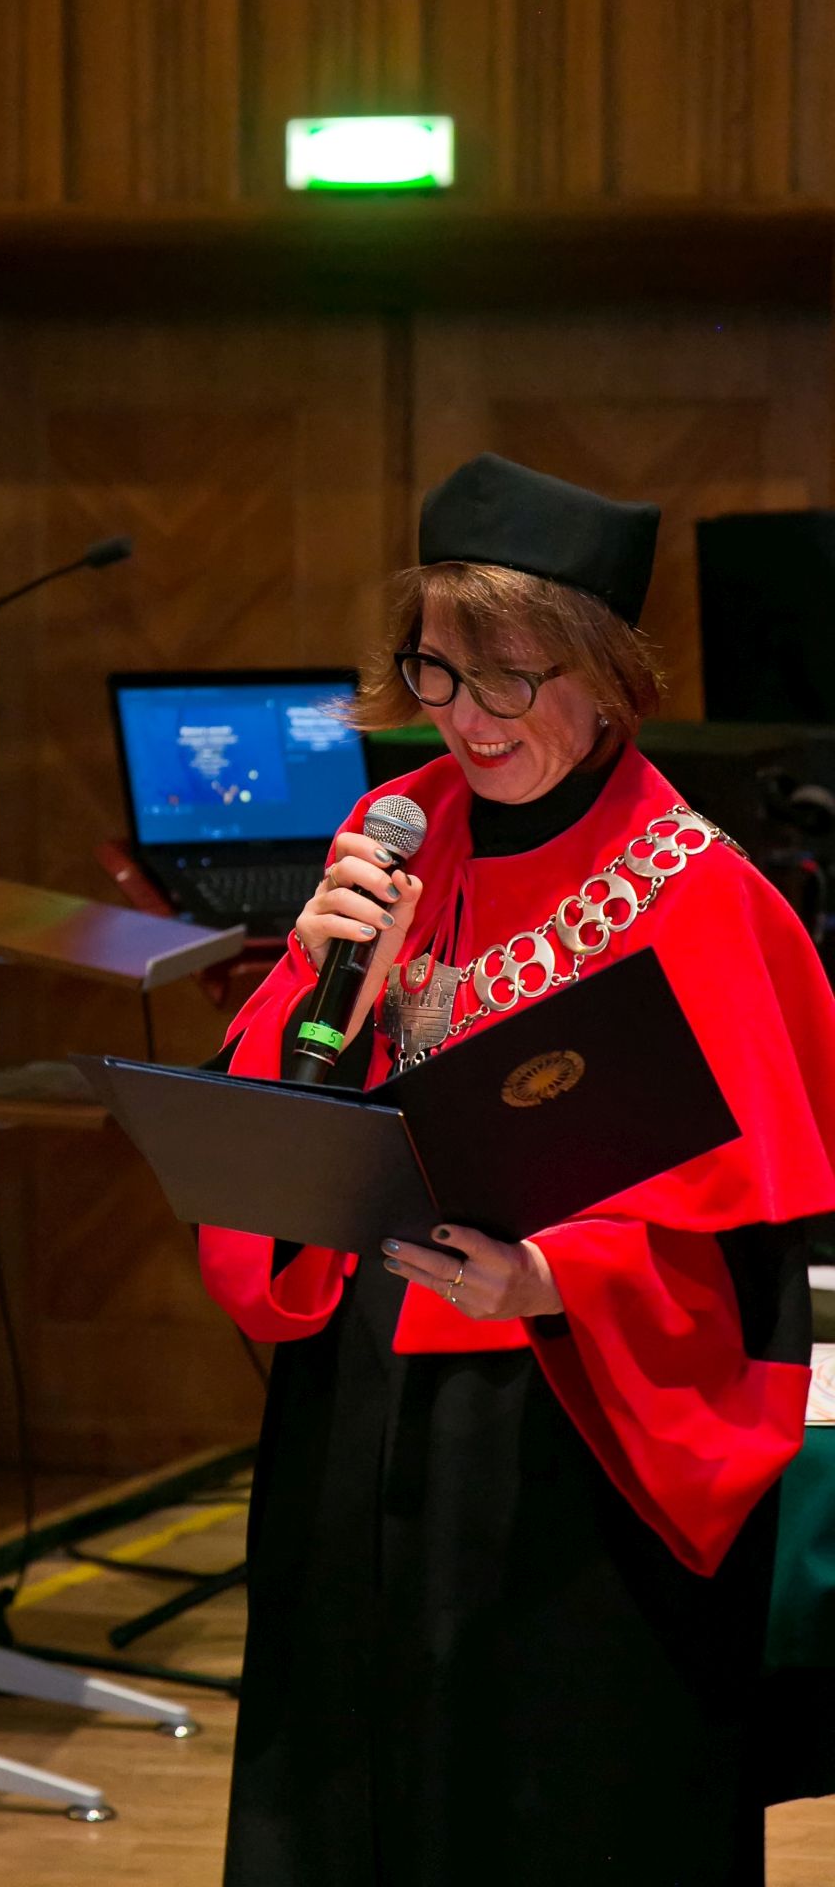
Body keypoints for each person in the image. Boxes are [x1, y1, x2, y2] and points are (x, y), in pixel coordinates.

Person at [199, 453, 835, 1887]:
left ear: (605, 674)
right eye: (437, 673)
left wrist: (553, 1277)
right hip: (361, 1402)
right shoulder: (391, 834)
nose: (468, 719)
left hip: (568, 1436)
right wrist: (317, 986)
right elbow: (276, 1107)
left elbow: (750, 1253)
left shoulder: (700, 891)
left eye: (509, 680)